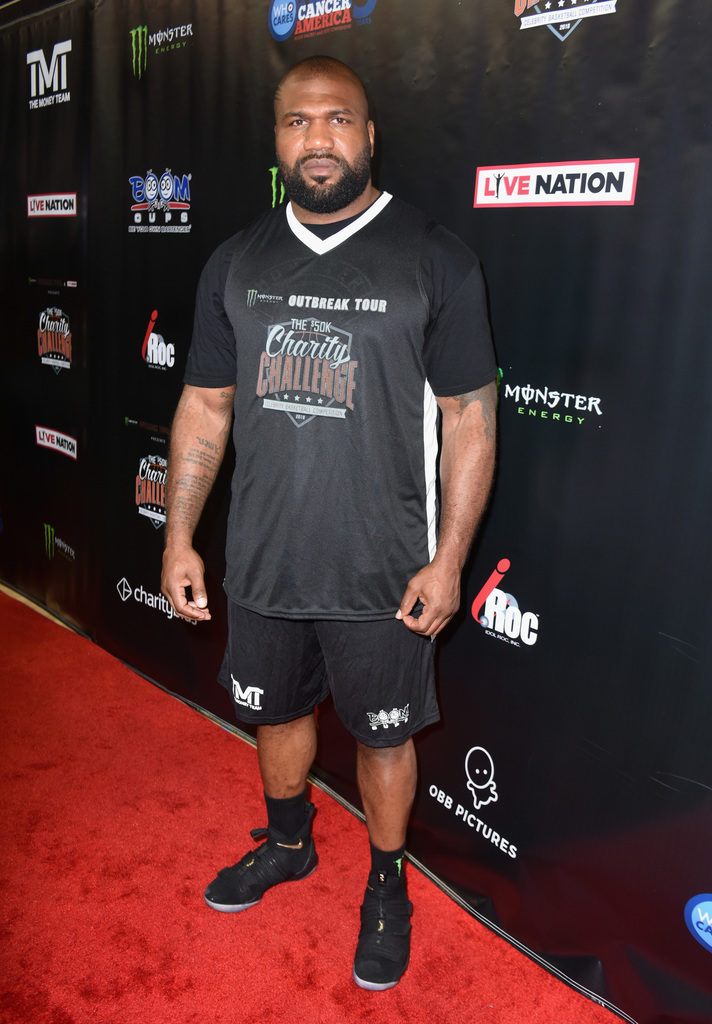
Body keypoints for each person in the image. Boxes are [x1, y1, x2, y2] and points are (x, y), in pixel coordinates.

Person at [161, 55, 497, 991]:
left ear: (370, 133)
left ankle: (387, 883)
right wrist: (179, 535)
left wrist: (449, 560)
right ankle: (288, 842)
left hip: (384, 570)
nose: (319, 138)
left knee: (384, 737)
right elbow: (206, 405)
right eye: (298, 121)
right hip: (264, 560)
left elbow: (471, 419)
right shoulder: (237, 261)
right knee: (275, 715)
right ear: (277, 140)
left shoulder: (433, 256)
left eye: (338, 119)